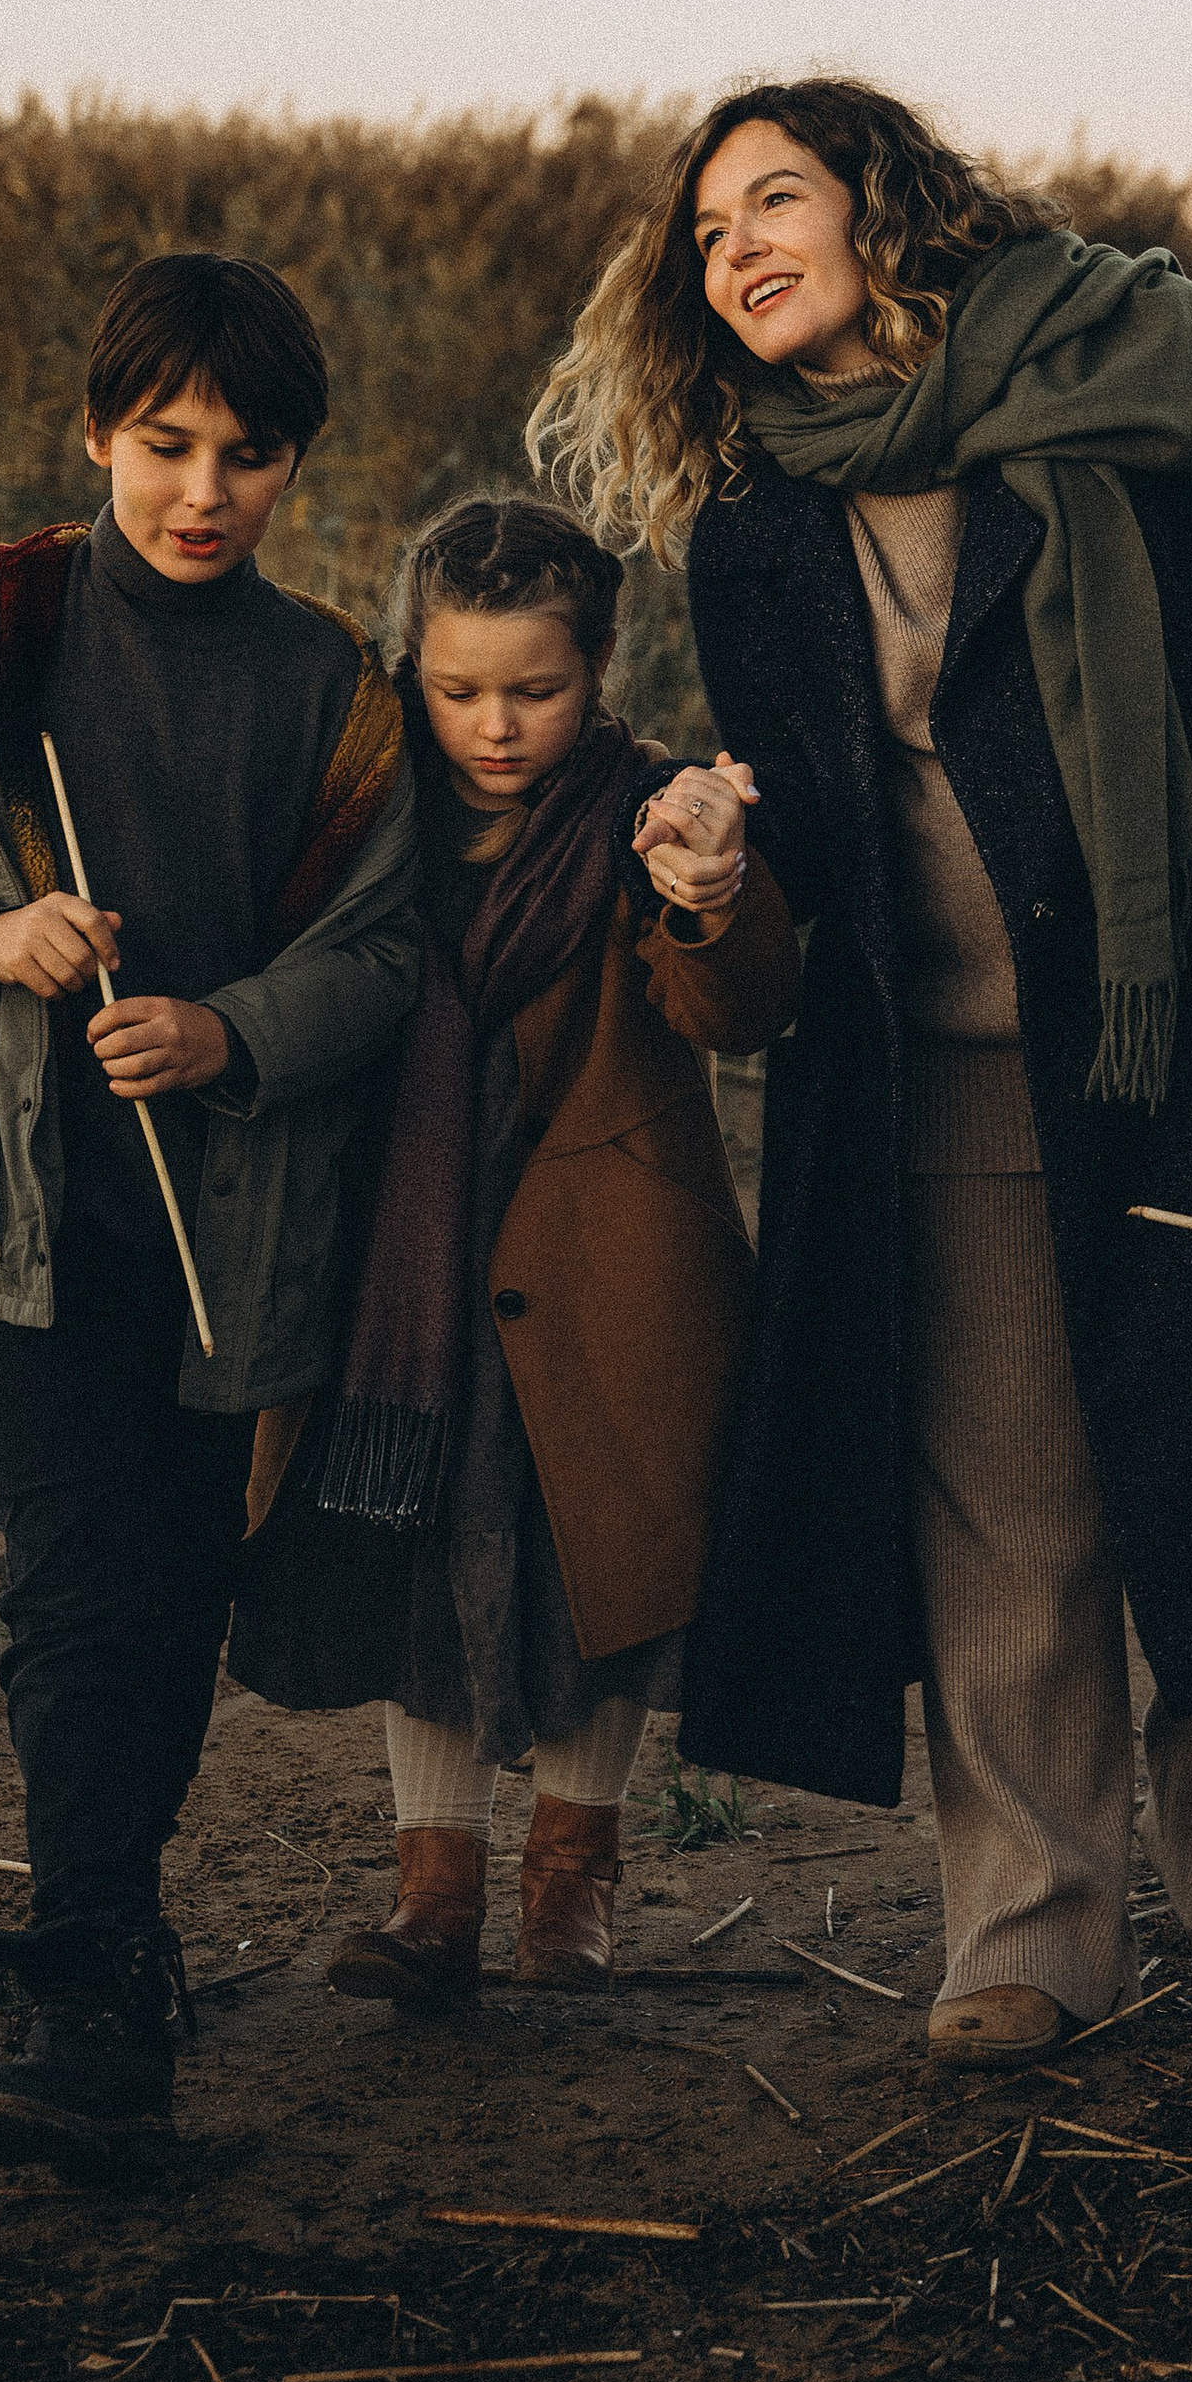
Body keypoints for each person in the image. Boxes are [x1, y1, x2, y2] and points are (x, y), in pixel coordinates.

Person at [529, 78, 1192, 2070]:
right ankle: (1032, 1930)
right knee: (1001, 1522)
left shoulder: (1128, 387)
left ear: (885, 209)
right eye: (703, 235)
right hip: (933, 1090)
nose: (733, 252)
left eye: (770, 200)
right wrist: (713, 884)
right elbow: (807, 843)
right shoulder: (759, 523)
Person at [0, 252, 421, 2177]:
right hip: (28, 1210)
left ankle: (117, 1938)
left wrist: (230, 1032)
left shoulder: (341, 686)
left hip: (236, 1222)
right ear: (99, 434)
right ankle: (88, 1980)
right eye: (166, 445)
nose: (202, 491)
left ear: (296, 469)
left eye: (249, 456)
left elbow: (389, 951)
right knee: (79, 1583)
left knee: (173, 1586)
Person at [228, 496, 799, 2006]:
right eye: (458, 688)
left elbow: (739, 1011)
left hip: (611, 1267)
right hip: (396, 1279)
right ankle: (433, 1898)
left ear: (600, 667)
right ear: (411, 665)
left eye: (535, 692)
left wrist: (710, 891)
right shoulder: (364, 813)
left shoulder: (661, 809)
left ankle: (573, 1880)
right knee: (411, 1557)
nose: (495, 726)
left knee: (587, 1563)